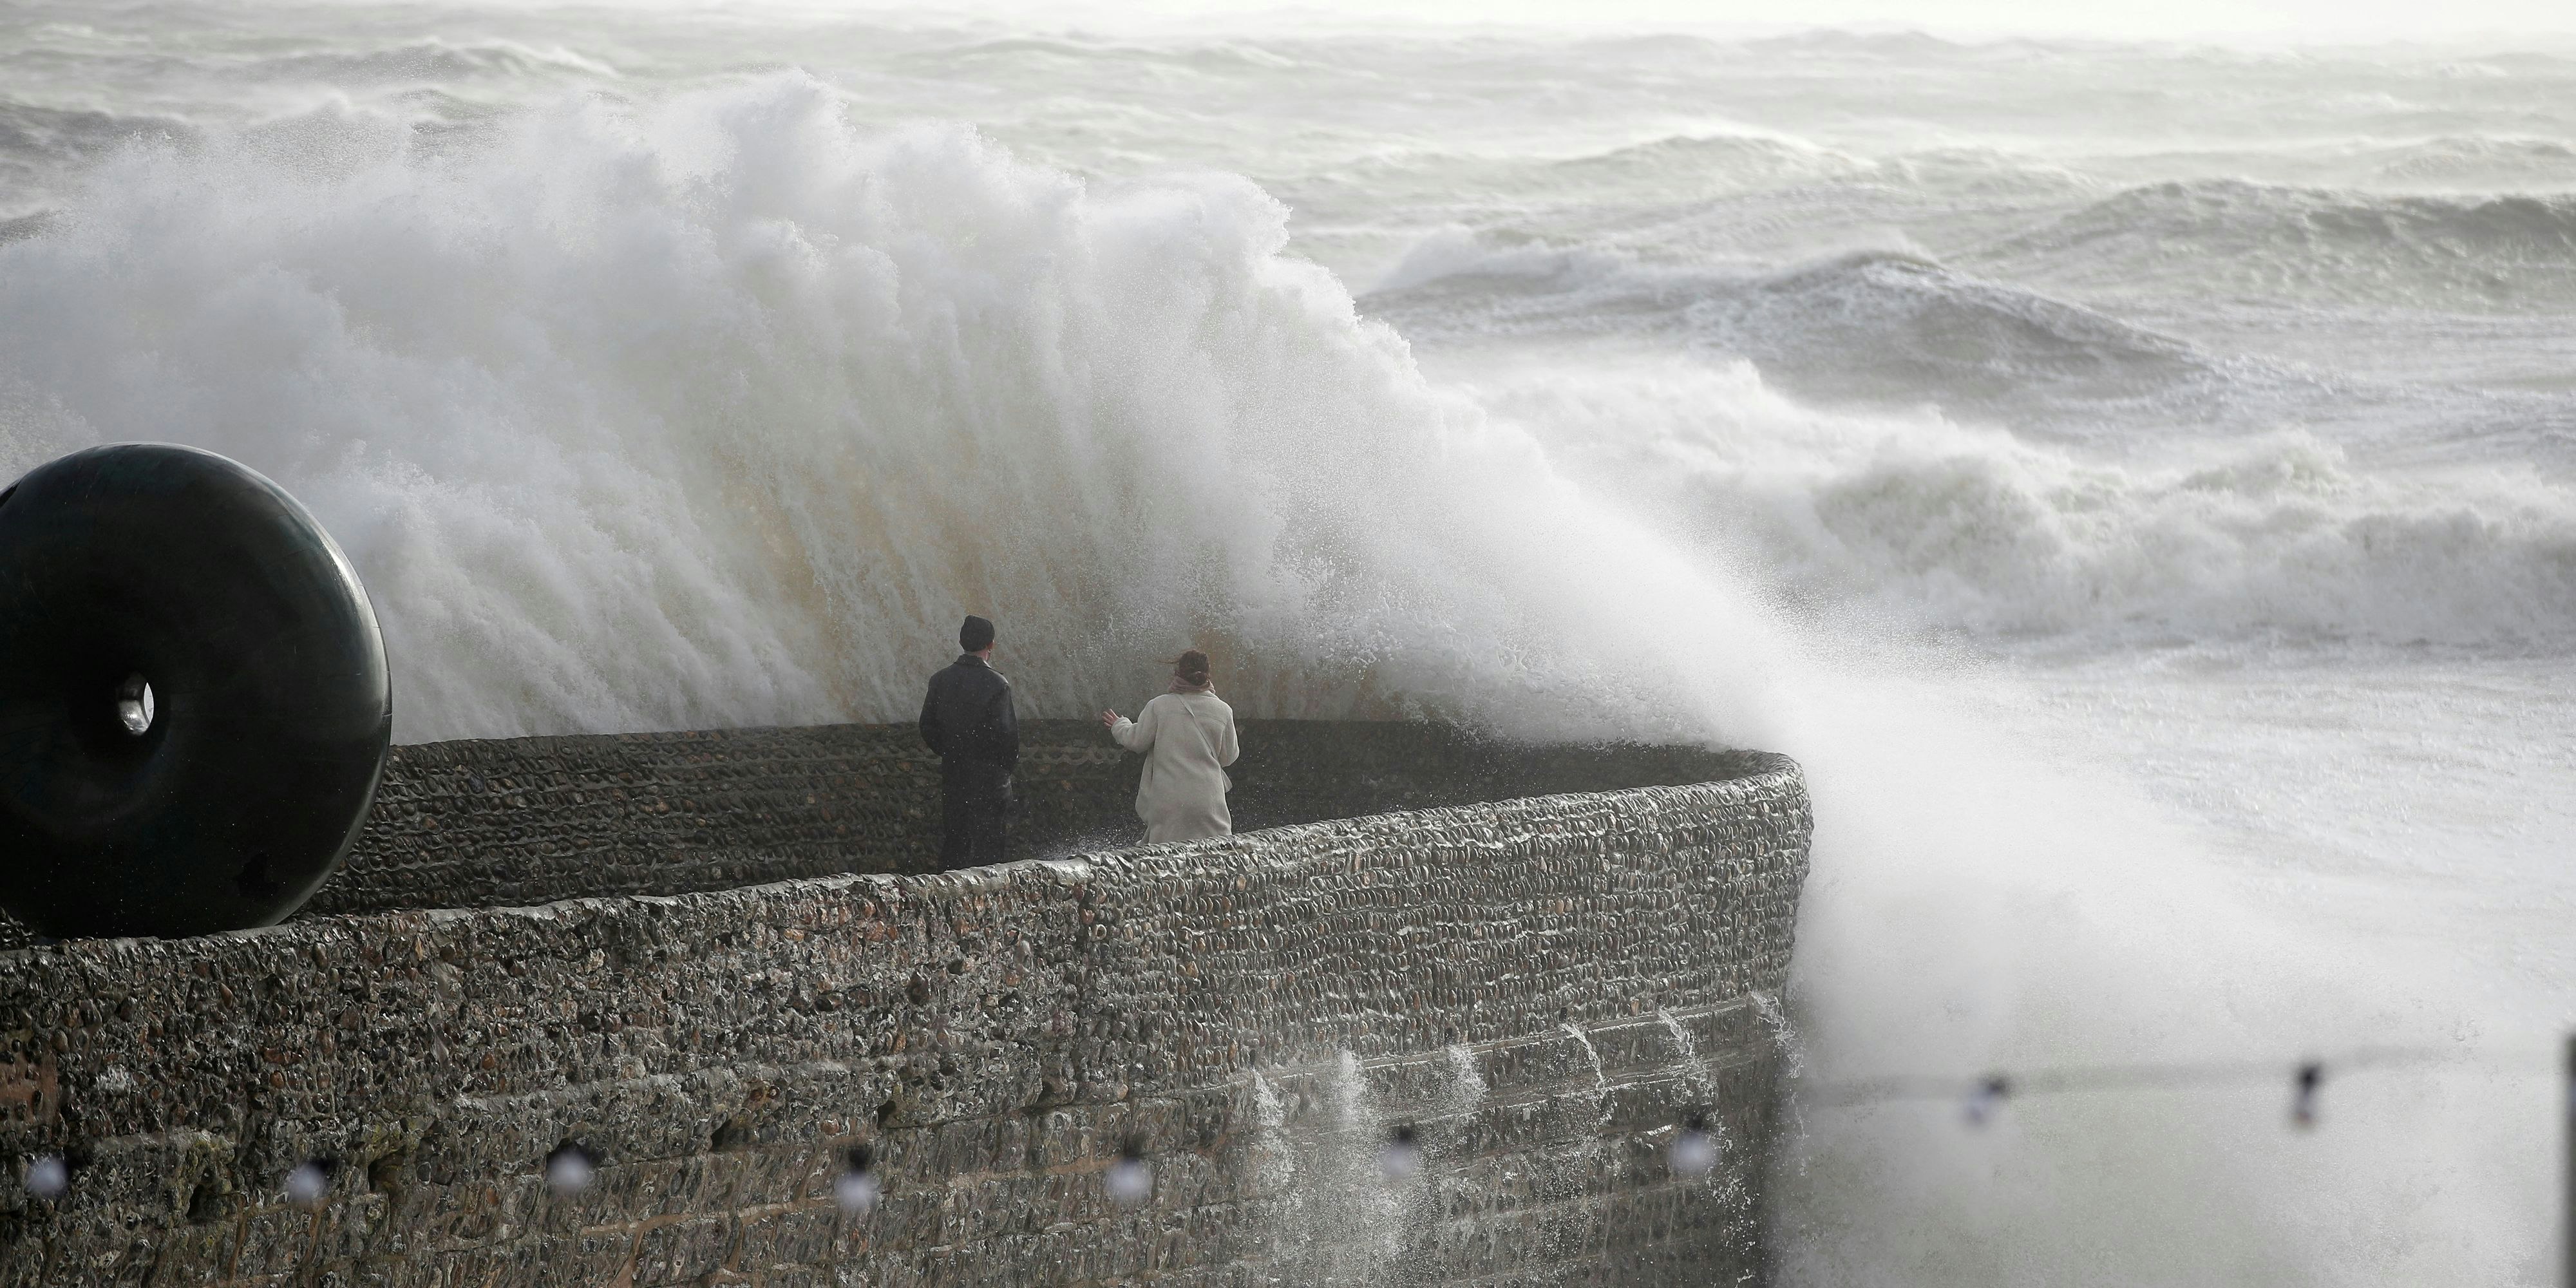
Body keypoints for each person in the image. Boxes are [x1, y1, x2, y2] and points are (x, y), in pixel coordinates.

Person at [1098, 650, 1240, 844]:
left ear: (1177, 673)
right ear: (1208, 675)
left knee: (1165, 860)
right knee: (1212, 856)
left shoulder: (1160, 706)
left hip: (1171, 801)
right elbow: (1229, 757)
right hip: (1209, 801)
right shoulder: (1223, 710)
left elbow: (1136, 741)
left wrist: (1119, 724)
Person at [918, 614, 1018, 868]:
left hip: (955, 773)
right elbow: (1007, 738)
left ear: (961, 641)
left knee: (956, 839)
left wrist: (950, 752)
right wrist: (1003, 771)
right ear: (991, 645)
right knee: (990, 846)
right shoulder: (997, 684)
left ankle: (947, 898)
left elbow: (927, 726)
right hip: (990, 778)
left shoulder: (940, 679)